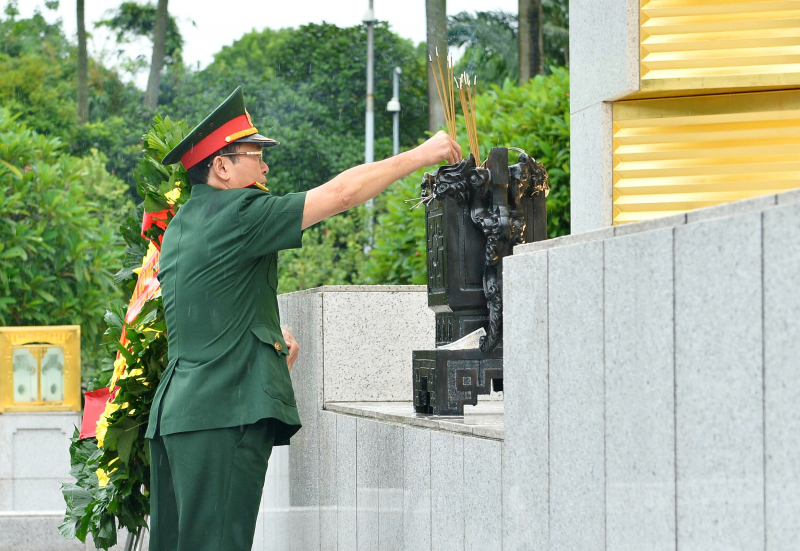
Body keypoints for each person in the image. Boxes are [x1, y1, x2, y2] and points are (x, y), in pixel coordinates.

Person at [144, 86, 461, 551]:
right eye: (255, 154)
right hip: (221, 415)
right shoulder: (239, 213)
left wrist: (268, 343)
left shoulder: (180, 225)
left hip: (176, 418)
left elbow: (213, 310)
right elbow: (341, 195)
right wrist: (425, 153)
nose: (265, 166)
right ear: (222, 166)